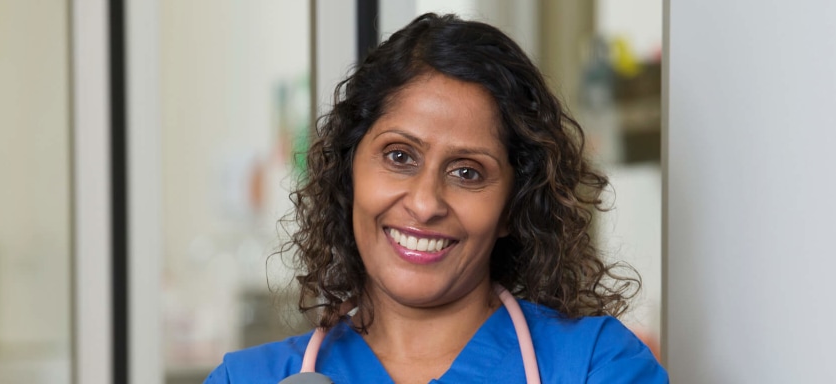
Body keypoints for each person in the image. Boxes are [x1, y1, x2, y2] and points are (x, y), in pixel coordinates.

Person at [205, 13, 668, 383]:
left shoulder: (596, 367)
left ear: (512, 204)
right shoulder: (245, 379)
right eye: (399, 156)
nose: (426, 203)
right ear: (349, 173)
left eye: (468, 172)